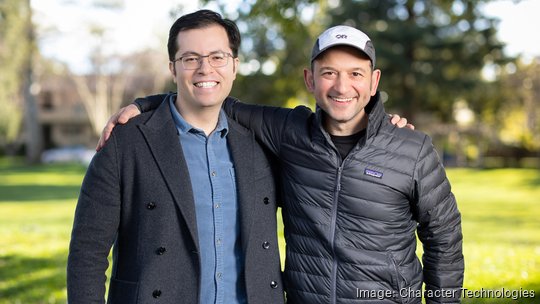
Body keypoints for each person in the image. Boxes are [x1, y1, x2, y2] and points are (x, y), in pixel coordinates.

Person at [100, 26, 463, 304]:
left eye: (355, 73)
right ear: (310, 79)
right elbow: (212, 96)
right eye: (328, 72)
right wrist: (147, 105)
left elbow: (444, 239)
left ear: (373, 81)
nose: (342, 86)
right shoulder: (287, 131)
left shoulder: (412, 149)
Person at [67, 10, 285, 304]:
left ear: (235, 65)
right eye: (190, 58)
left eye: (217, 57)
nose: (205, 69)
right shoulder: (127, 143)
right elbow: (87, 252)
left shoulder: (261, 145)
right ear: (173, 68)